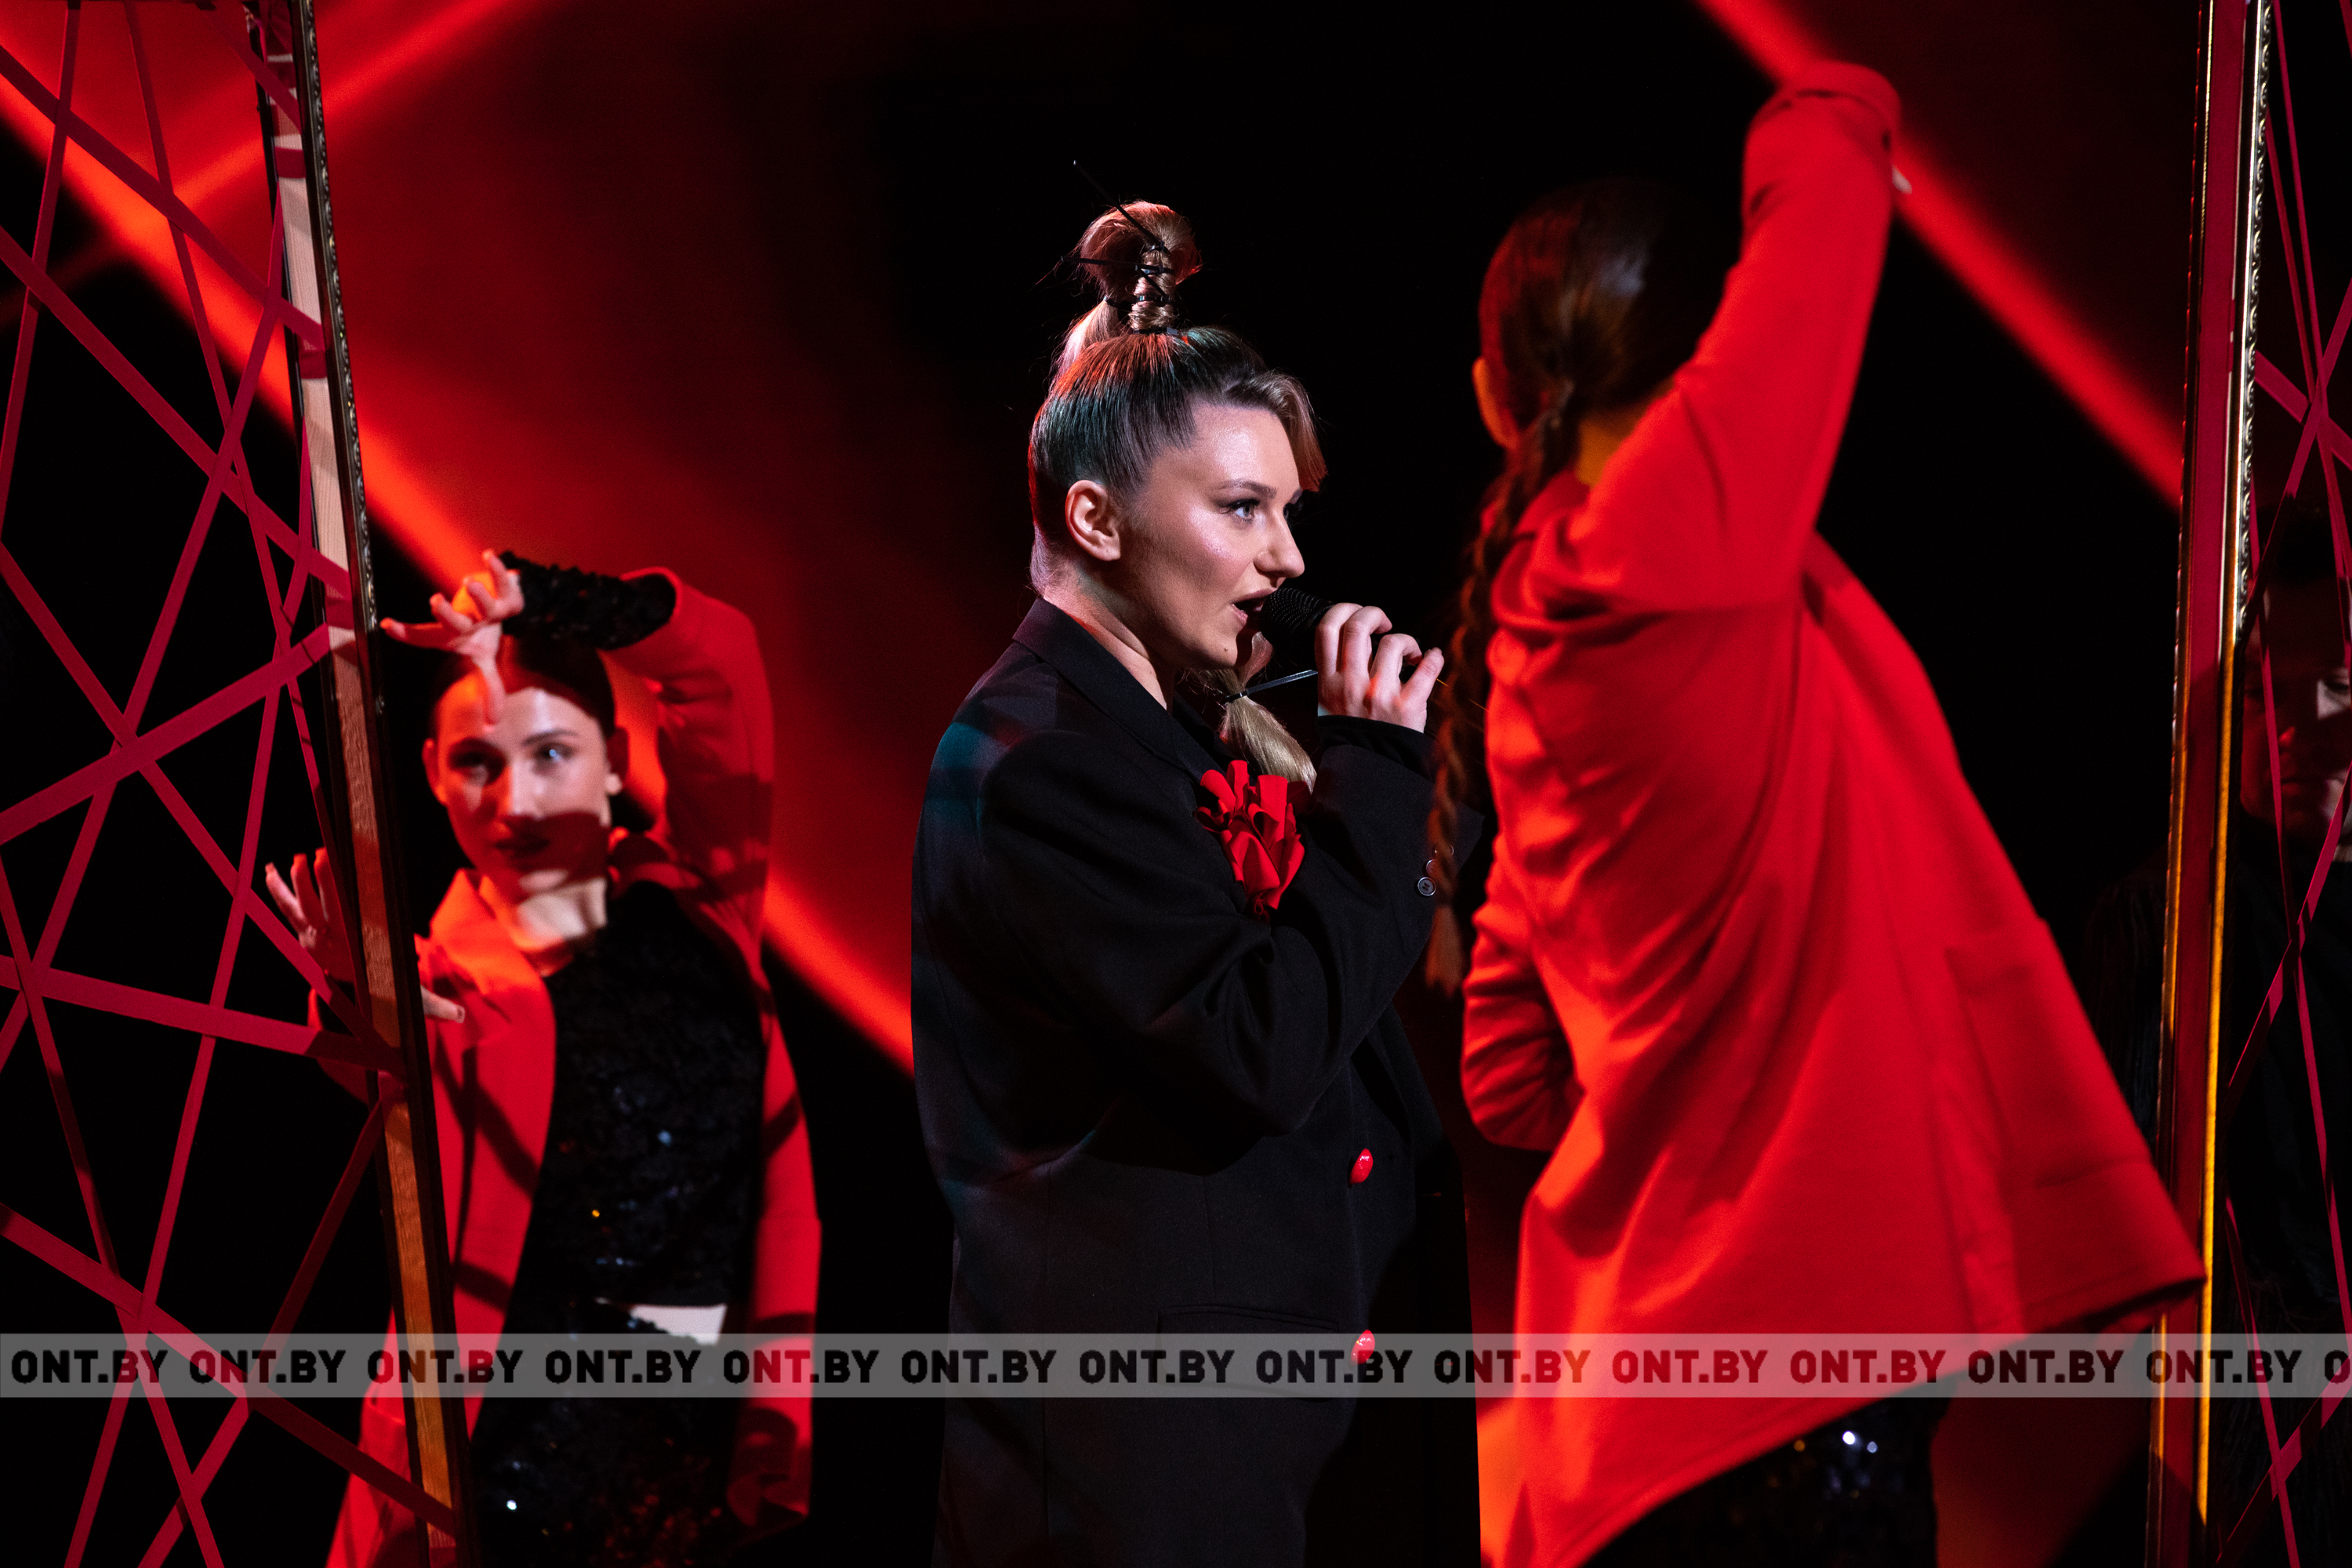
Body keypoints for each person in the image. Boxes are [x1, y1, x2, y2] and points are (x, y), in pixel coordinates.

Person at [1450, 63, 2201, 1564]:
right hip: (1783, 1426)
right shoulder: (1680, 542)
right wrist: (1838, 108)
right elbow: (1824, 205)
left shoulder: (1532, 657)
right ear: (1708, 365)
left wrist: (1694, 1079)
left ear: (1493, 397)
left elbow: (1505, 1071)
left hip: (1634, 1434)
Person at [911, 201, 1476, 1566]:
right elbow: (1252, 1047)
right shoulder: (1039, 762)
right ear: (1096, 518)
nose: (1289, 557)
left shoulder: (1165, 731)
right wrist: (1376, 786)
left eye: (1286, 510)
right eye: (1241, 508)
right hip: (1145, 1473)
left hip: (1271, 1443)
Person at [268, 551, 818, 1567]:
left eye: (552, 754)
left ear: (616, 760)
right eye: (477, 762)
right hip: (500, 1471)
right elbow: (383, 1060)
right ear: (433, 774)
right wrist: (356, 989)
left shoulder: (704, 904)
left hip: (692, 1465)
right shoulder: (446, 981)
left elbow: (720, 665)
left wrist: (546, 597)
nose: (516, 803)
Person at [2082, 494, 2350, 1565]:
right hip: (2249, 1442)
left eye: (2332, 690)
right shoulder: (2164, 921)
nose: (2296, 725)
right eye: (2267, 688)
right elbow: (2129, 1240)